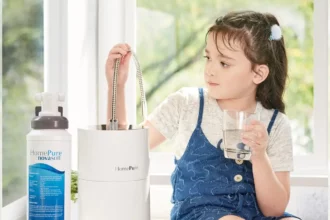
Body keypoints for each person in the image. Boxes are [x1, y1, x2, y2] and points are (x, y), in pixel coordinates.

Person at [105, 10, 301, 220]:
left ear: (258, 73)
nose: (210, 70)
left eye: (224, 63)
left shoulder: (276, 124)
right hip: (199, 213)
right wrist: (116, 85)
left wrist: (260, 156)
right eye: (208, 58)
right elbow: (125, 149)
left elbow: (274, 210)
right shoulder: (187, 104)